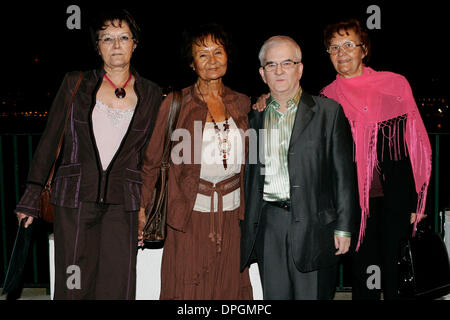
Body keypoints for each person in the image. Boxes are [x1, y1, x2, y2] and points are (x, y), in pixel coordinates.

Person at [14, 9, 162, 299]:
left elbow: (150, 156)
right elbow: (50, 139)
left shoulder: (152, 92)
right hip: (75, 198)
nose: (116, 44)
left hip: (124, 203)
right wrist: (31, 195)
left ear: (135, 43)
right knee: (74, 283)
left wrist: (146, 206)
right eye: (107, 38)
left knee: (117, 284)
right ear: (98, 46)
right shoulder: (75, 83)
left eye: (123, 37)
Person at [139, 23, 253, 300]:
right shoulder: (177, 103)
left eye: (218, 52)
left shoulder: (243, 103)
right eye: (202, 55)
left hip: (233, 214)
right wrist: (141, 208)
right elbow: (152, 160)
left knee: (228, 289)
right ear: (191, 63)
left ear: (228, 56)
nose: (212, 61)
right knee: (187, 287)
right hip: (188, 214)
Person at [321, 18, 432, 300]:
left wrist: (420, 199)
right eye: (333, 47)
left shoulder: (394, 85)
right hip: (353, 204)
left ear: (364, 49)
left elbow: (415, 142)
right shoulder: (326, 99)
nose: (341, 52)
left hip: (395, 198)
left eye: (348, 44)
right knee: (363, 276)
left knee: (397, 274)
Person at [240, 35, 357, 300]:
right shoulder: (252, 116)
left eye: (287, 63)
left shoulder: (329, 112)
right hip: (268, 225)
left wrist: (343, 227)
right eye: (271, 65)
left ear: (300, 68)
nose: (279, 70)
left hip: (316, 226)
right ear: (262, 73)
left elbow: (344, 176)